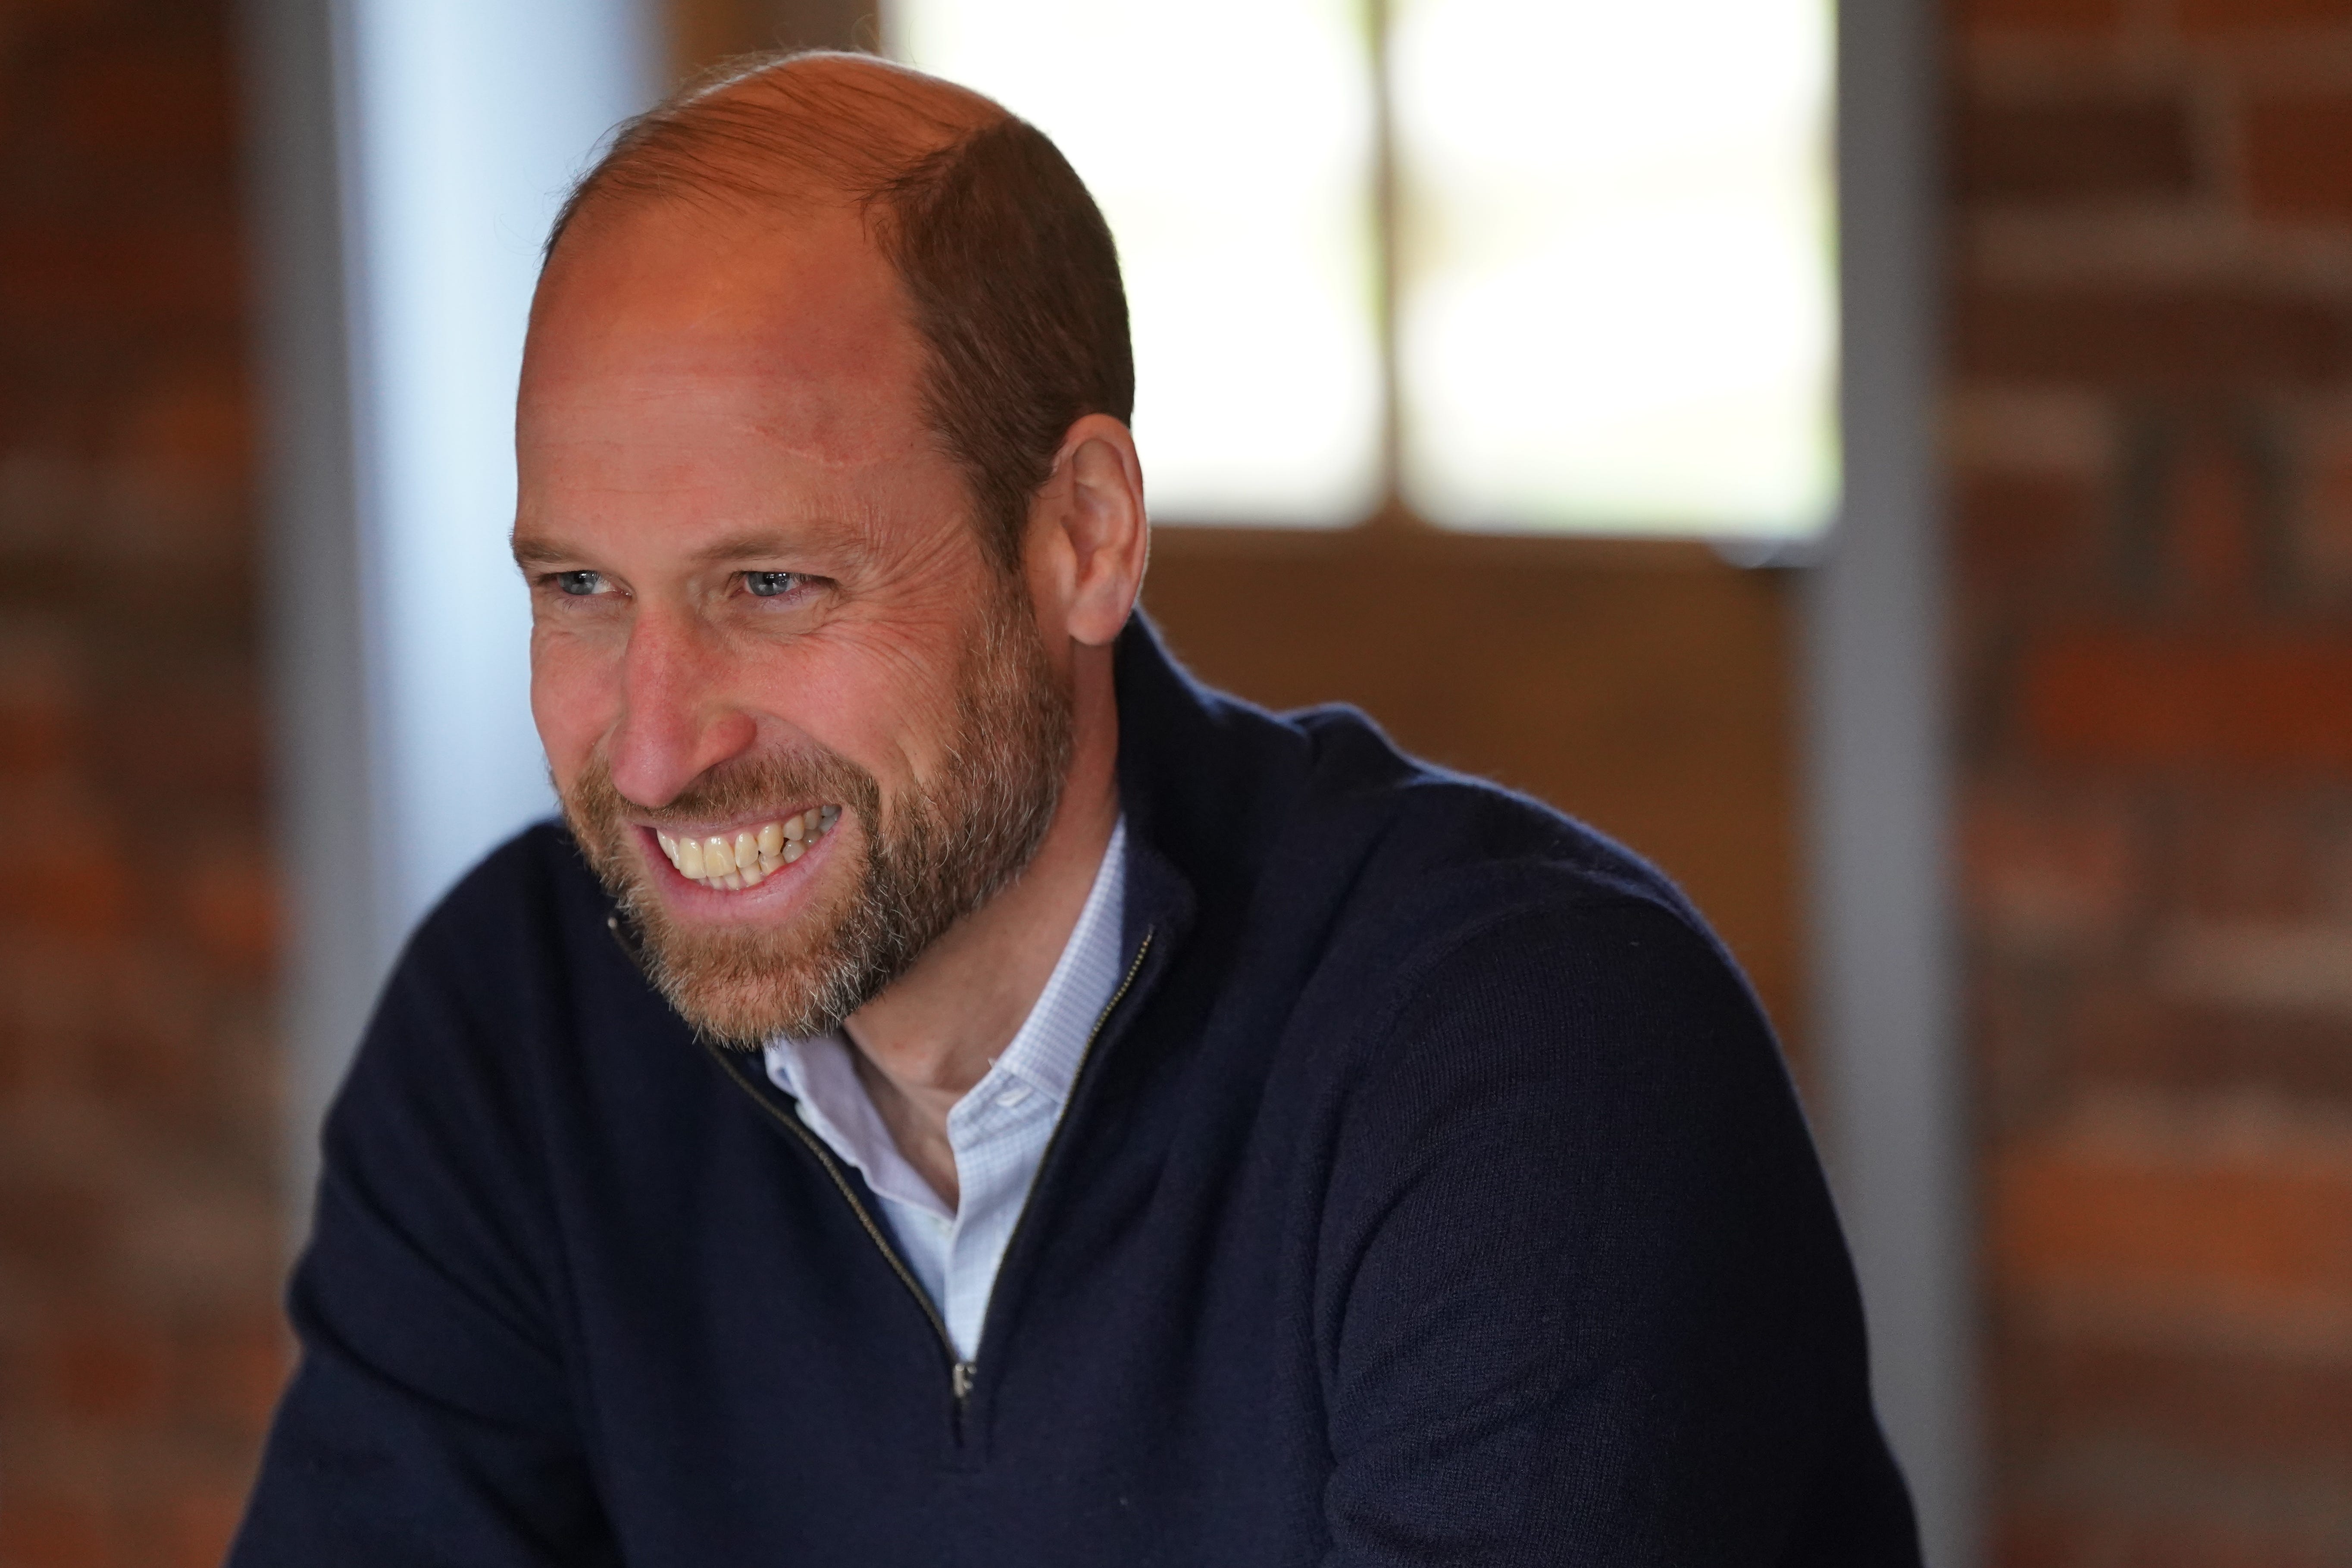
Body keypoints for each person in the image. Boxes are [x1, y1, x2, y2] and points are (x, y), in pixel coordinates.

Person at [229, 50, 1919, 1566]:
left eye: (770, 583)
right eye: (583, 588)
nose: (657, 752)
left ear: (1085, 537)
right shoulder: (519, 1023)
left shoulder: (1537, 1056)